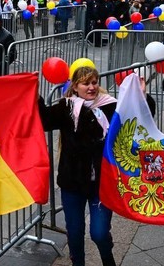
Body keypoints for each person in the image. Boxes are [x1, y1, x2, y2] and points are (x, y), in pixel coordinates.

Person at [37, 66, 119, 266]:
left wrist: (142, 96)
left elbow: (138, 116)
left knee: (99, 233)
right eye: (86, 83)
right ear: (75, 86)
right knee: (74, 233)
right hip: (72, 183)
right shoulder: (66, 107)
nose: (91, 87)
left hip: (101, 183)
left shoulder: (111, 106)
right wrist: (35, 94)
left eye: (94, 82)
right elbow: (44, 120)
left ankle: (108, 260)